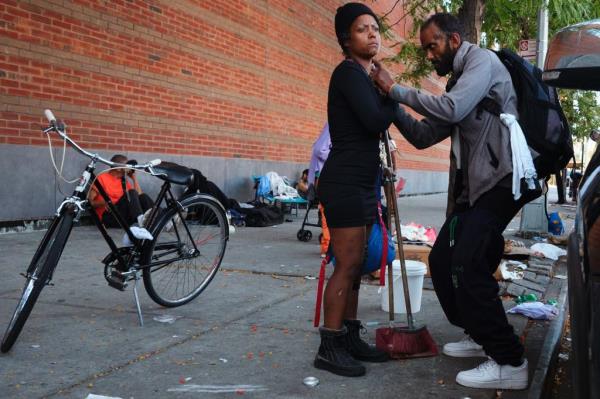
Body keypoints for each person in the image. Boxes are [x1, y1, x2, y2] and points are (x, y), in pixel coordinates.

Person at [372, 13, 535, 390]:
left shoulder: (482, 62)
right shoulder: (460, 81)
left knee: (468, 262)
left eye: (433, 45)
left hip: (501, 180)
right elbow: (425, 134)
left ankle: (510, 361)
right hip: (474, 188)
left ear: (455, 41)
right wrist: (391, 107)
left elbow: (451, 110)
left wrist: (396, 89)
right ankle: (479, 334)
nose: (429, 54)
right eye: (425, 48)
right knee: (443, 260)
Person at [314, 3, 400, 377]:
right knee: (346, 265)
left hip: (363, 184)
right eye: (363, 29)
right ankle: (329, 346)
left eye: (375, 28)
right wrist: (392, 92)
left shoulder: (363, 77)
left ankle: (348, 337)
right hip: (345, 183)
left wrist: (382, 87)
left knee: (357, 266)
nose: (373, 34)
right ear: (346, 39)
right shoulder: (348, 74)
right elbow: (375, 120)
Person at [89, 155, 154, 230]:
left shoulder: (123, 181)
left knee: (144, 197)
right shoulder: (102, 178)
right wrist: (104, 202)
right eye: (127, 164)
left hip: (122, 216)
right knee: (131, 192)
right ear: (119, 168)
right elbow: (90, 202)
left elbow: (139, 196)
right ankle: (140, 220)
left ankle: (157, 218)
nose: (128, 167)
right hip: (109, 217)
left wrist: (134, 178)